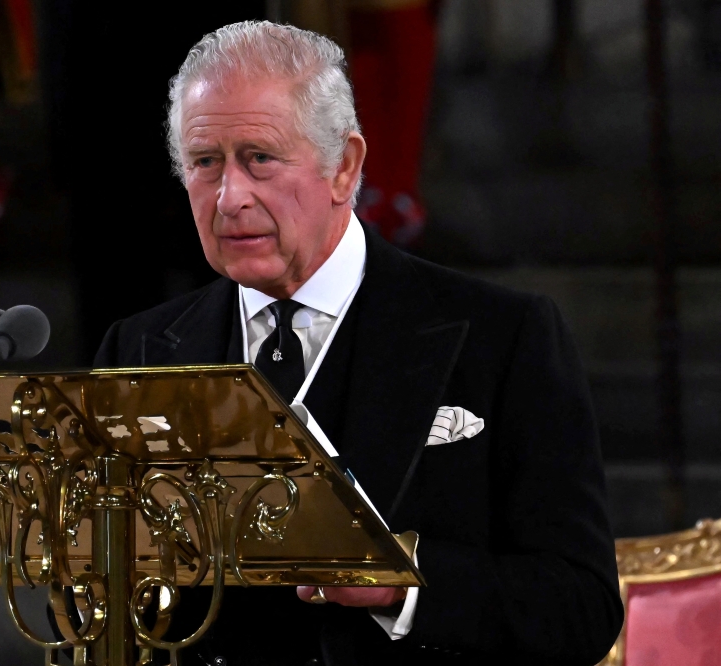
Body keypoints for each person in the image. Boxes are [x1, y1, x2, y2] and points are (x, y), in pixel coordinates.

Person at [94, 21, 623, 665]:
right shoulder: (141, 348)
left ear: (344, 166)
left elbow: (581, 610)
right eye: (206, 163)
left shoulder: (503, 338)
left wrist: (397, 580)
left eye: (259, 157)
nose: (230, 197)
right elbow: (92, 613)